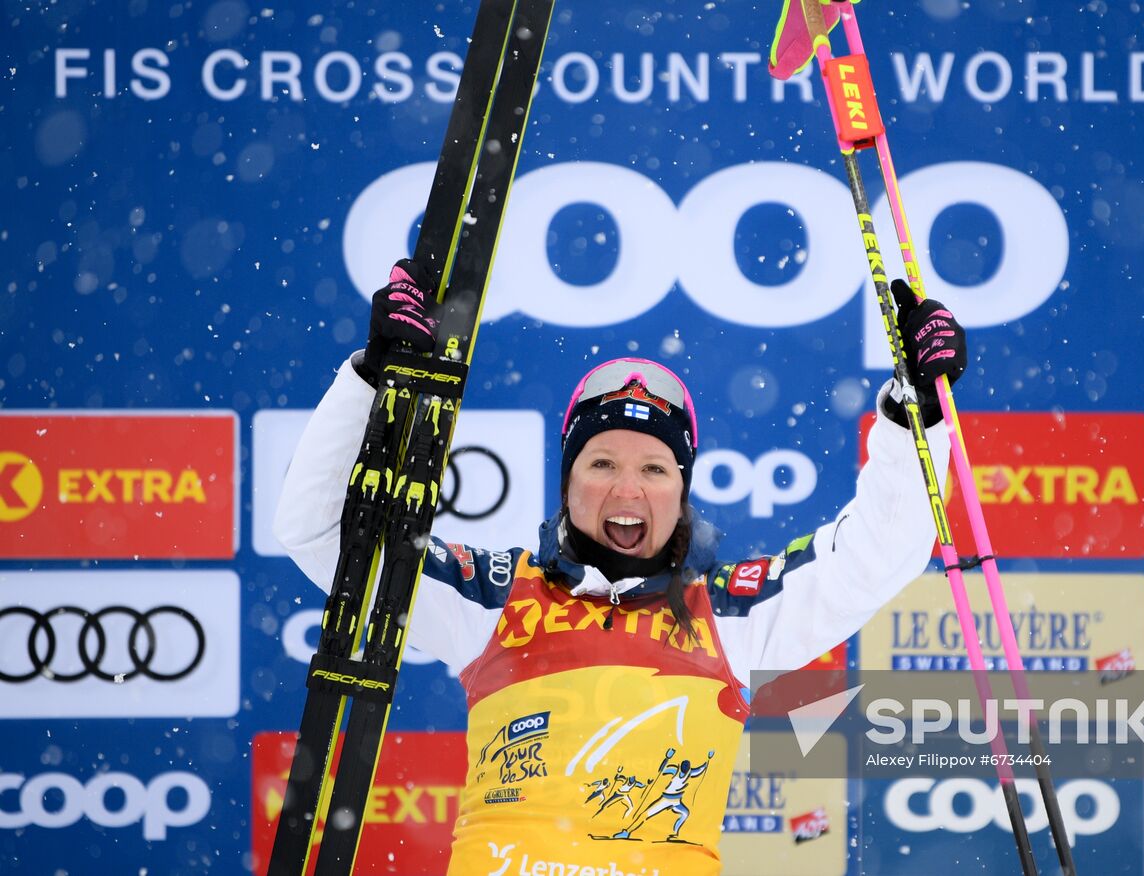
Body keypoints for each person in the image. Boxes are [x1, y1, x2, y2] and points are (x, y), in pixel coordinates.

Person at [275, 259, 966, 875]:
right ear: (567, 480)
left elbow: (876, 555)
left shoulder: (729, 613)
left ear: (683, 488)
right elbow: (321, 535)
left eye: (655, 468)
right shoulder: (489, 596)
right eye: (602, 463)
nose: (628, 489)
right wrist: (371, 379)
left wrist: (919, 416)